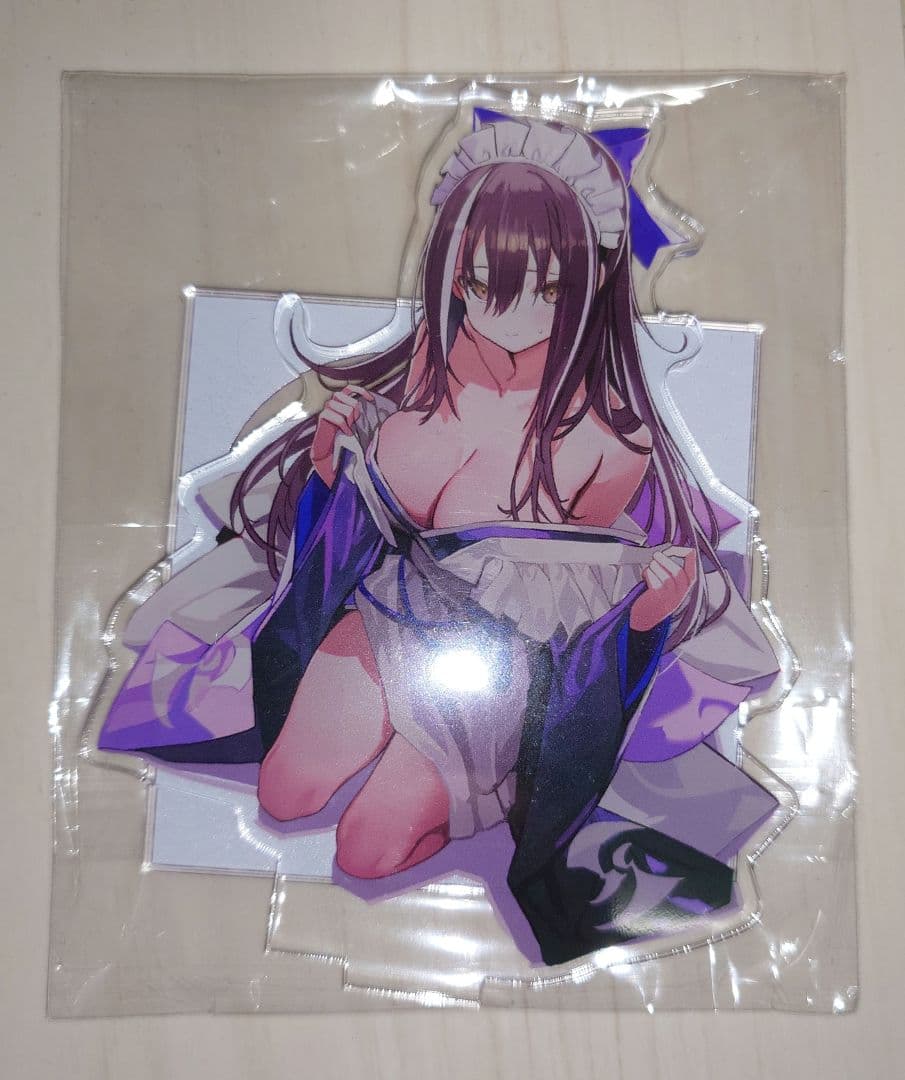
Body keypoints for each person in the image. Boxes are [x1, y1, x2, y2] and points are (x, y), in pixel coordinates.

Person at [99, 116, 781, 964]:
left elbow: (578, 606)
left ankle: (493, 787)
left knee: (366, 851)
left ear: (585, 286)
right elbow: (350, 541)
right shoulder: (400, 410)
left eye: (550, 287)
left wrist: (644, 617)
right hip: (390, 617)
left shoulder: (606, 441)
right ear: (455, 271)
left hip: (501, 665)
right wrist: (330, 468)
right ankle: (419, 756)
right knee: (284, 792)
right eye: (493, 280)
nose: (519, 310)